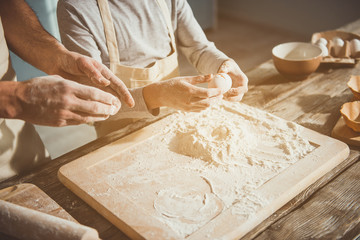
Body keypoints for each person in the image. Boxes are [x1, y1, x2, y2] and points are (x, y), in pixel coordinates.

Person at [57, 0, 249, 137]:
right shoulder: (76, 7)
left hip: (176, 121)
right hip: (119, 135)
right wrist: (160, 95)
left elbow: (198, 47)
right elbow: (93, 98)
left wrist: (223, 64)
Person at [0, 0, 135, 181]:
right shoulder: (74, 8)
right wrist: (16, 98)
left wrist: (57, 57)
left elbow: (7, 7)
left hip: (16, 141)